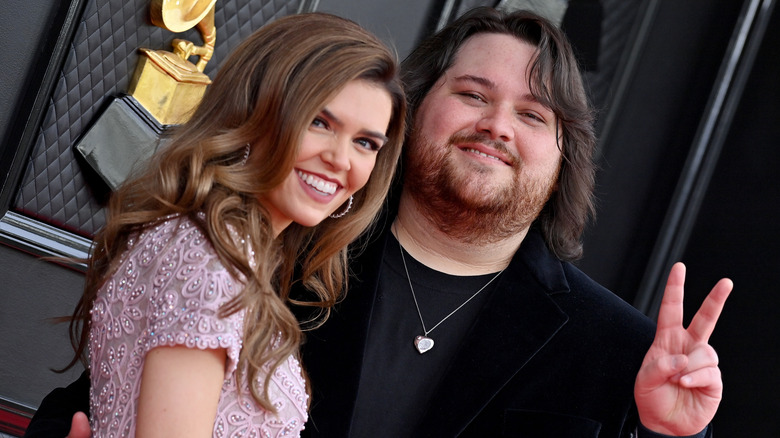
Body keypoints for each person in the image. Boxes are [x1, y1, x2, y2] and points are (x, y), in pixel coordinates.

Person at [26, 7, 731, 438]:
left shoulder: (622, 353)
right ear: (410, 113)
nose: (495, 127)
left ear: (563, 153)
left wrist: (668, 435)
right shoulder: (274, 251)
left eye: (532, 114)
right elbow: (97, 400)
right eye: (472, 94)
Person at [28, 12, 405, 438]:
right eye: (319, 122)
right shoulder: (213, 263)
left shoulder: (212, 244)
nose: (341, 159)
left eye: (365, 143)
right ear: (256, 111)